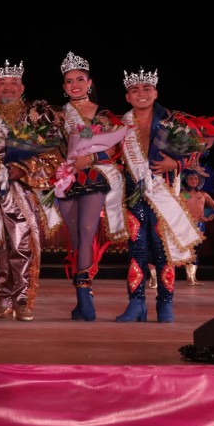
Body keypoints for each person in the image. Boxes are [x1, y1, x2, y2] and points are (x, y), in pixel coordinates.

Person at [0, 60, 63, 322]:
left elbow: (54, 154)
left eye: (13, 83)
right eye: (1, 83)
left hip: (23, 190)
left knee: (22, 244)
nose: (7, 87)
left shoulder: (37, 114)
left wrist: (24, 168)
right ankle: (3, 298)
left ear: (22, 87)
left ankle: (22, 299)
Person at [116, 68, 206, 323]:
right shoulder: (120, 123)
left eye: (146, 89)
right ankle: (136, 304)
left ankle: (165, 304)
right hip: (133, 194)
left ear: (155, 92)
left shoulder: (173, 120)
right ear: (128, 96)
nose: (141, 93)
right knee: (137, 249)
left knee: (163, 249)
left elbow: (195, 150)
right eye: (135, 89)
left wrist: (176, 165)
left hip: (164, 193)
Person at [54, 52, 126, 321]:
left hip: (94, 177)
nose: (74, 85)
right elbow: (48, 147)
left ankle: (86, 297)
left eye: (79, 79)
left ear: (89, 82)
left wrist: (92, 157)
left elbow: (115, 149)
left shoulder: (103, 114)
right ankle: (79, 297)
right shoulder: (57, 116)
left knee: (87, 230)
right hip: (65, 178)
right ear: (63, 87)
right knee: (74, 237)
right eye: (69, 81)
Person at [181, 170, 214, 285]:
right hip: (187, 225)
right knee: (189, 250)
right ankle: (189, 278)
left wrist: (210, 216)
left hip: (200, 224)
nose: (194, 181)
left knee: (196, 250)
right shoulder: (183, 194)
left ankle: (193, 278)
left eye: (196, 179)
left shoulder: (203, 194)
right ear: (186, 180)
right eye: (191, 179)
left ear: (199, 181)